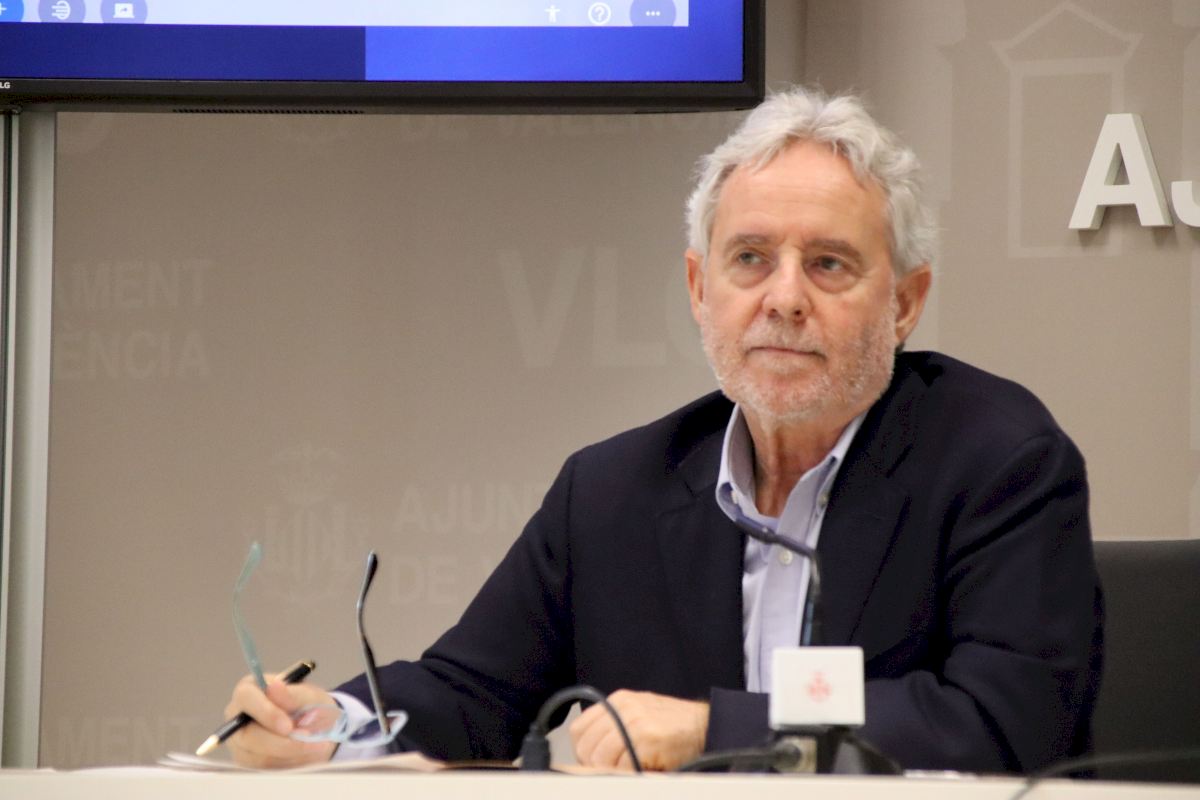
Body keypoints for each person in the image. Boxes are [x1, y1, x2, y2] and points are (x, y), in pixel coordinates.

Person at [223, 86, 1103, 774]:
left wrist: (715, 729)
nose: (784, 298)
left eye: (828, 264)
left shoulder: (1000, 463)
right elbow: (472, 690)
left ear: (905, 303)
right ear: (698, 288)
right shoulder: (611, 493)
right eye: (750, 258)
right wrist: (328, 723)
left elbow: (1009, 723)